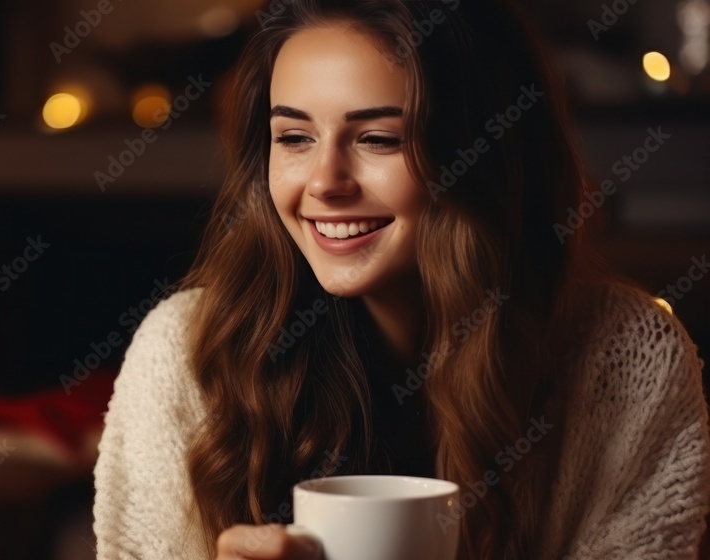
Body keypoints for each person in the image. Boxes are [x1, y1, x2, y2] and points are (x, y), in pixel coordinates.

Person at [92, 0, 710, 558]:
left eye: (379, 138)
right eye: (295, 136)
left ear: (483, 152)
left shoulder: (628, 359)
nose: (325, 182)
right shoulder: (185, 354)